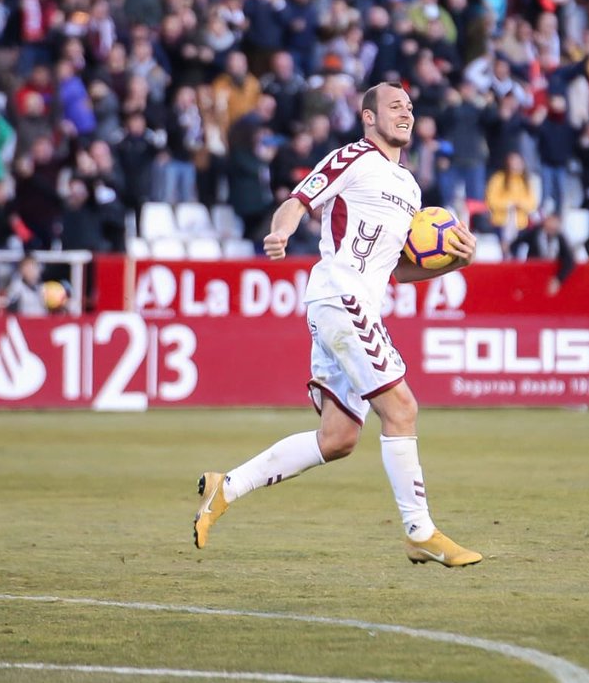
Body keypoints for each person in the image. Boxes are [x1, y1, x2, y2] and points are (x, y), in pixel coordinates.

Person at [193, 82, 483, 567]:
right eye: (394, 107)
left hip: (358, 302)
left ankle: (227, 486)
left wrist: (454, 262)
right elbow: (299, 199)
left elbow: (396, 268)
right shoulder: (352, 157)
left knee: (339, 438)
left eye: (410, 107)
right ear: (368, 117)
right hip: (340, 295)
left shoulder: (410, 187)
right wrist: (281, 231)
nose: (406, 113)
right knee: (402, 408)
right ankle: (420, 531)